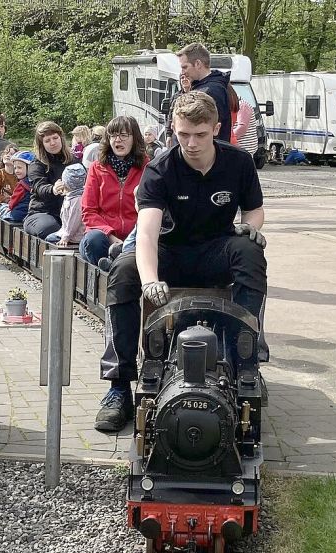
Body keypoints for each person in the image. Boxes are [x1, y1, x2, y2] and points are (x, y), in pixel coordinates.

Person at [94, 91, 267, 432]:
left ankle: (244, 362)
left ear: (216, 129)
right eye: (182, 134)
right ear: (172, 128)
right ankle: (118, 386)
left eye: (200, 135)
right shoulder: (160, 169)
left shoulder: (239, 163)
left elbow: (255, 210)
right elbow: (145, 234)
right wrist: (149, 280)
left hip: (216, 250)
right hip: (169, 252)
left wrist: (251, 227)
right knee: (123, 271)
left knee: (251, 251)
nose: (190, 143)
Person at [80, 116, 148, 266]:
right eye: (113, 135)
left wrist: (134, 236)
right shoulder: (97, 168)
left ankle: (114, 266)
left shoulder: (148, 168)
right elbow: (88, 211)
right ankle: (111, 267)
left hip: (136, 235)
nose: (118, 140)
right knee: (94, 241)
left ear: (135, 138)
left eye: (124, 135)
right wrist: (110, 235)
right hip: (103, 236)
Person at [24, 121, 74, 239]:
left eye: (55, 138)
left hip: (70, 212)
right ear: (42, 145)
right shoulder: (37, 164)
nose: (53, 143)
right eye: (47, 141)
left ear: (61, 138)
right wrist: (53, 189)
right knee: (51, 228)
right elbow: (39, 186)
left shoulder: (74, 161)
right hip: (42, 212)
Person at [177, 43, 232, 142]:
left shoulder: (211, 91)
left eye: (185, 67)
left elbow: (208, 129)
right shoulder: (206, 88)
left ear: (198, 64)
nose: (182, 72)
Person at [46, 163, 88, 246]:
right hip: (67, 232)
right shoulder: (71, 196)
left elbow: (74, 221)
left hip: (76, 236)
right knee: (49, 237)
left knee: (50, 239)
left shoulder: (77, 200)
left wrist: (66, 237)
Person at [4, 151, 35, 223]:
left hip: (18, 214)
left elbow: (15, 198)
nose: (16, 171)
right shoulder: (36, 182)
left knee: (3, 209)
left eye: (19, 168)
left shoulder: (22, 184)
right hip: (30, 214)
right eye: (15, 168)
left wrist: (10, 207)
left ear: (29, 168)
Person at [228, 84, 257, 156]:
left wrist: (227, 137)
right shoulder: (237, 105)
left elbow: (242, 127)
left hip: (244, 147)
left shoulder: (242, 105)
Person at [0, 144, 19, 217]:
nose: (8, 155)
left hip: (16, 203)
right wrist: (7, 200)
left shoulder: (18, 175)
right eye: (6, 153)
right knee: (9, 212)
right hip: (1, 203)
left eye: (12, 154)